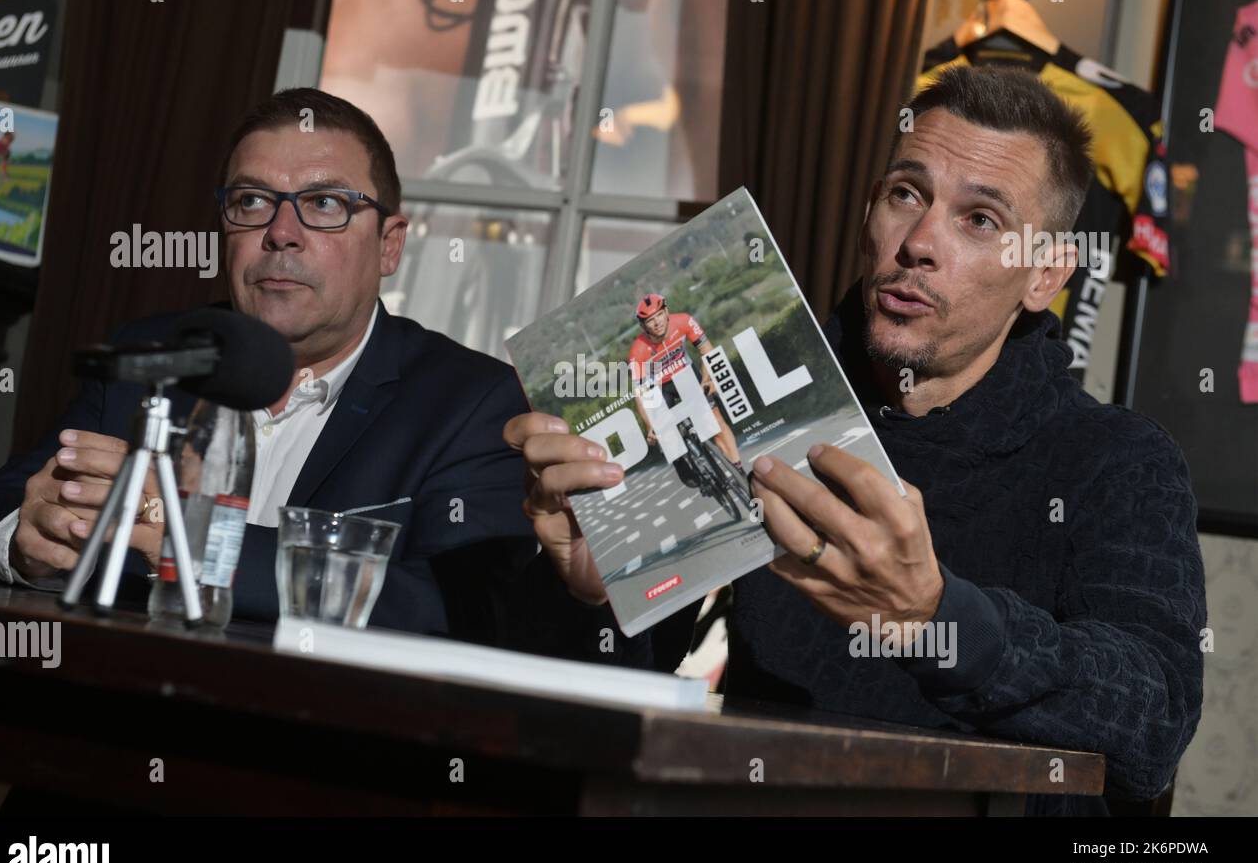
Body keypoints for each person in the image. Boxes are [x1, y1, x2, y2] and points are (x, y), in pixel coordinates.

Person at [503, 65, 1207, 815]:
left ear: (1044, 275)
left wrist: (935, 621)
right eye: (907, 194)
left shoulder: (1116, 459)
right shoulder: (762, 407)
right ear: (868, 210)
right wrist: (597, 592)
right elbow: (594, 712)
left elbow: (1154, 719)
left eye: (981, 220)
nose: (919, 244)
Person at [0, 89, 534, 634]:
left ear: (389, 245)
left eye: (325, 203)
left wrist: (192, 541)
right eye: (252, 201)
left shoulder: (473, 401)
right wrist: (24, 540)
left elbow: (461, 607)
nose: (282, 233)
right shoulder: (158, 355)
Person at [627, 293, 741, 472]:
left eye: (659, 315)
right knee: (667, 436)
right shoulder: (637, 351)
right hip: (659, 388)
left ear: (666, 311)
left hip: (686, 374)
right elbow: (640, 394)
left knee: (715, 420)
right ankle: (683, 463)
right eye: (650, 320)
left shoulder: (683, 321)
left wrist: (707, 380)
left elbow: (707, 351)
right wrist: (650, 426)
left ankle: (738, 469)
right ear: (643, 325)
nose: (657, 323)